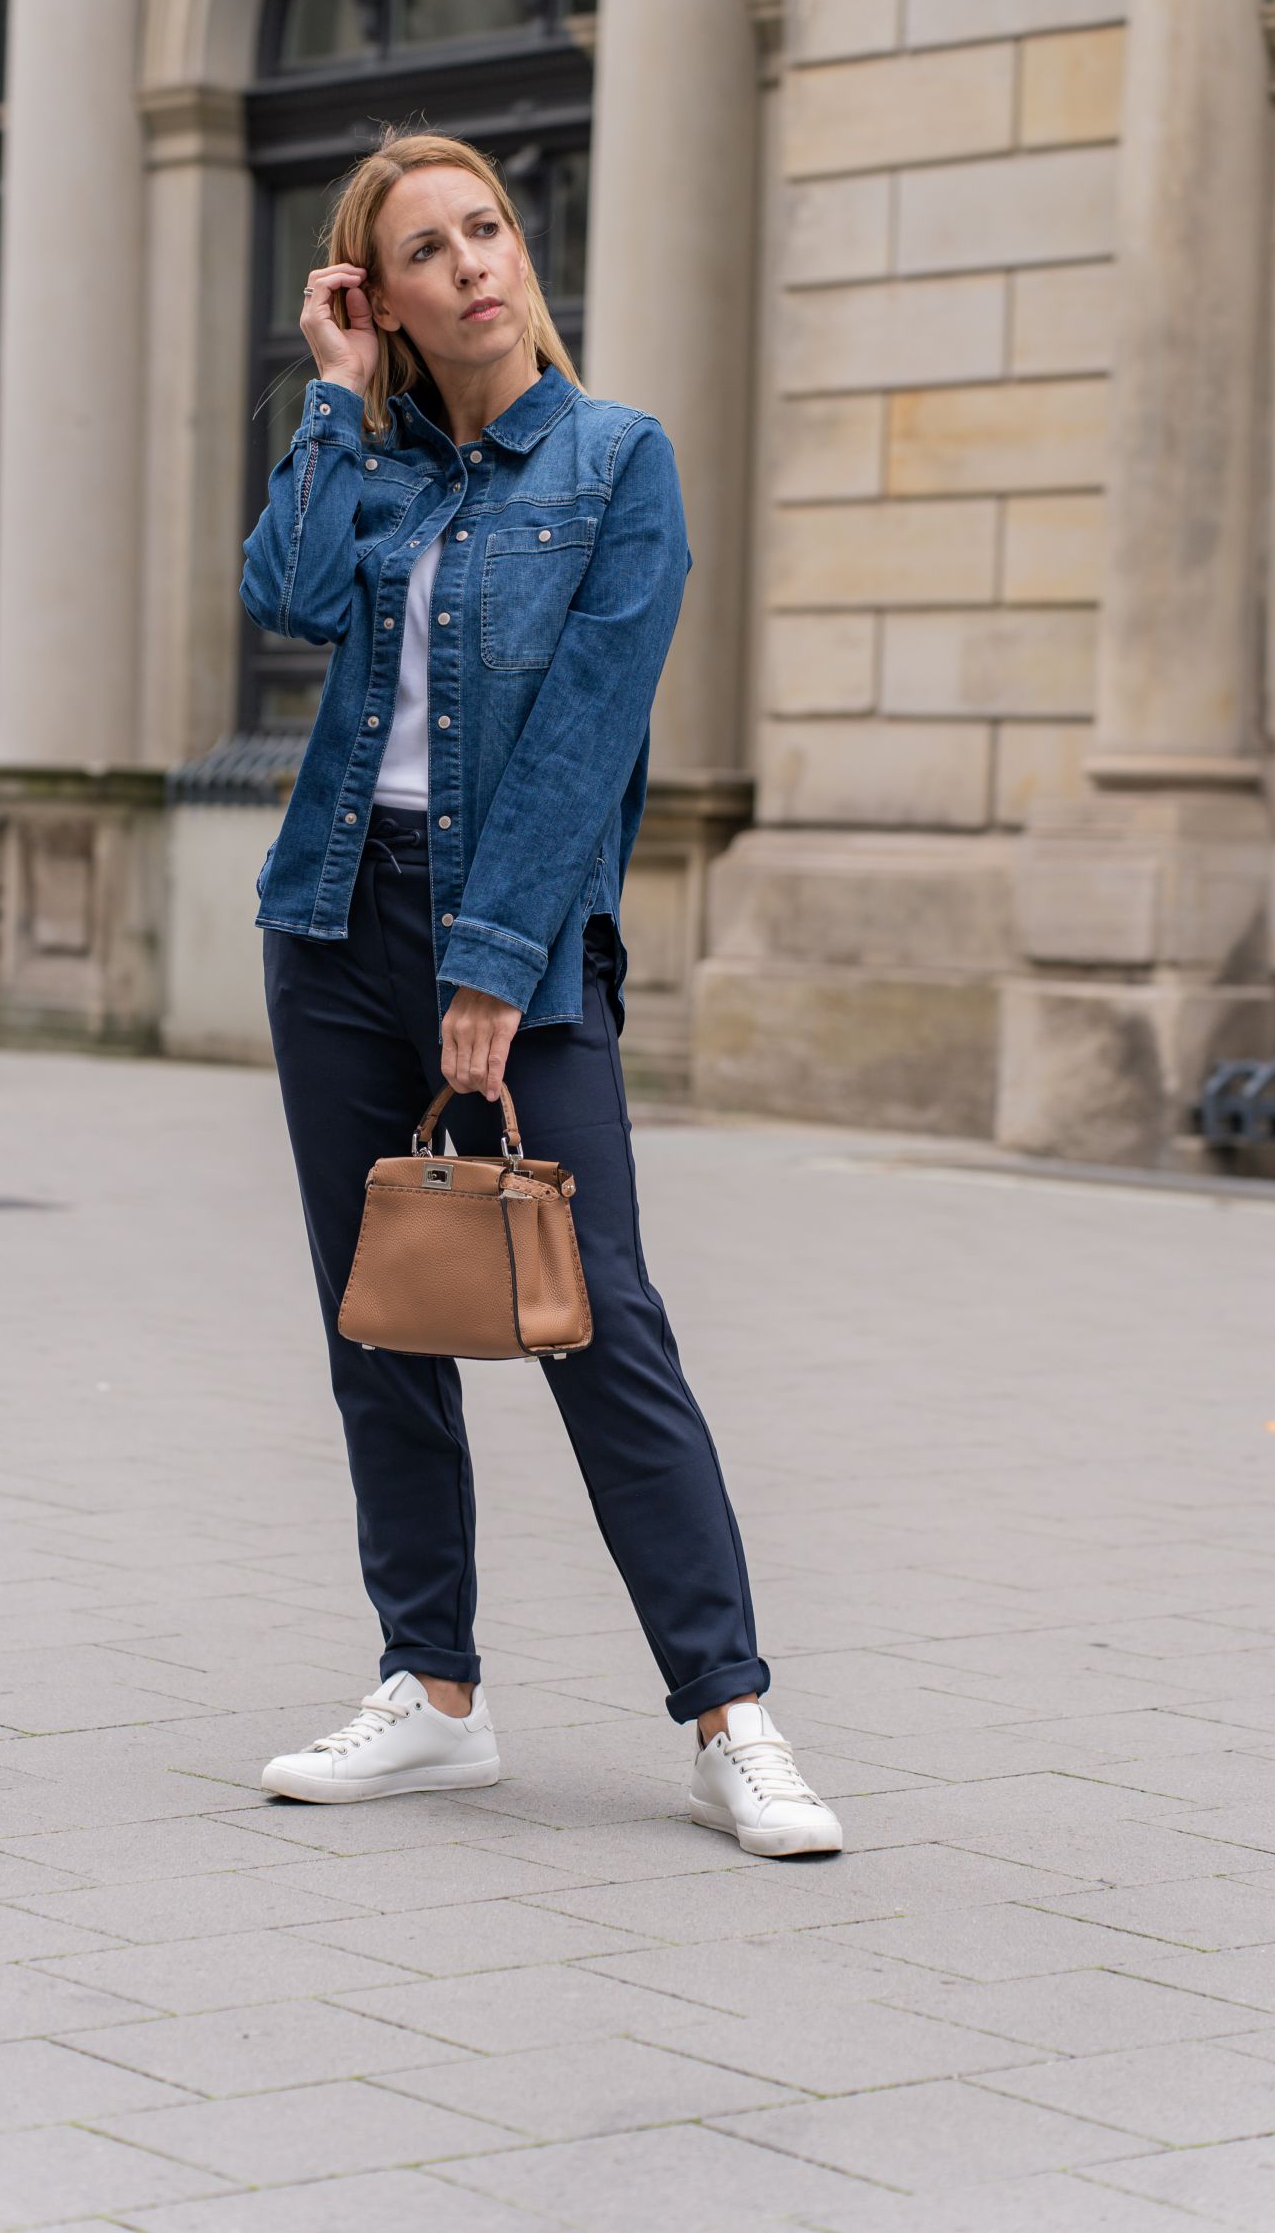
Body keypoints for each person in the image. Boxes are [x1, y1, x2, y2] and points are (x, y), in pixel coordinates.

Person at [240, 130, 840, 1858]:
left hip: (518, 925)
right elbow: (285, 593)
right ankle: (431, 1697)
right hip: (336, 919)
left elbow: (590, 734)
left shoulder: (612, 462)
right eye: (425, 251)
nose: (472, 265)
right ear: (387, 298)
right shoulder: (371, 457)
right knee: (384, 1313)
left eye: (486, 228)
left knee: (604, 1323)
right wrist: (334, 397)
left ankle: (731, 1715)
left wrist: (498, 964)